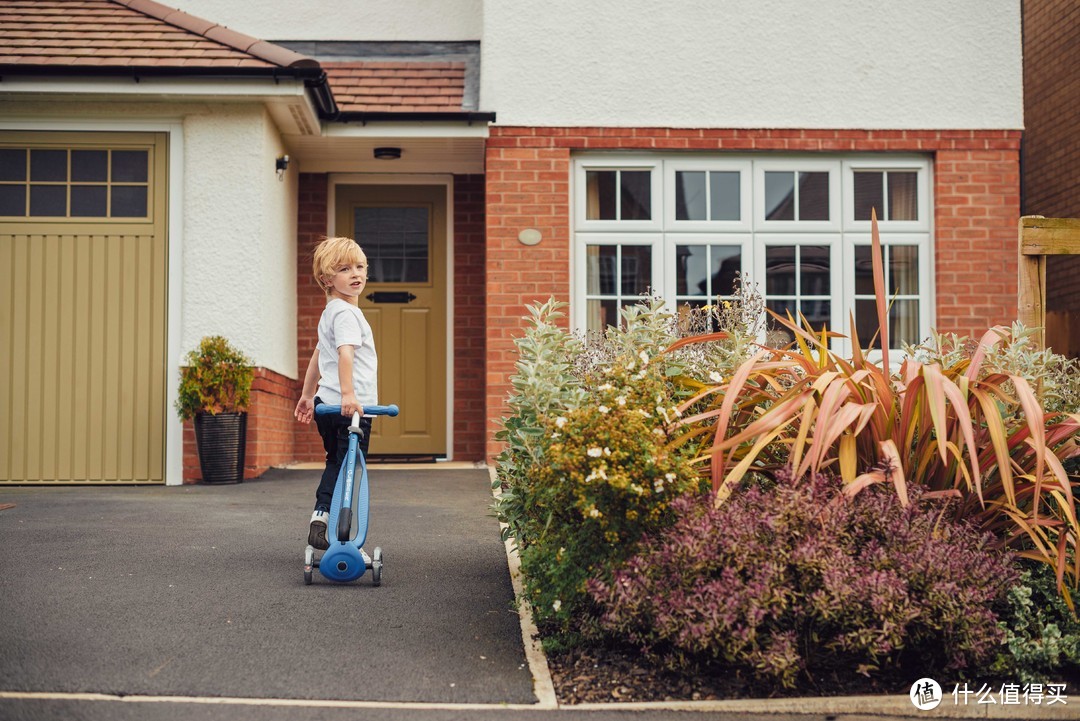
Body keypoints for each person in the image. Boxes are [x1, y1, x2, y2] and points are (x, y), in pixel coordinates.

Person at [294, 236, 378, 550]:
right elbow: (345, 353)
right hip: (349, 408)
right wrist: (348, 395)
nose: (355, 273)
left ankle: (322, 516)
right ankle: (333, 526)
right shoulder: (347, 314)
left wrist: (307, 394)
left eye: (360, 267)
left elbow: (319, 355)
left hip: (324, 404)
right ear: (327, 279)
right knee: (348, 466)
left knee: (336, 462)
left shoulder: (330, 311)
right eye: (344, 269)